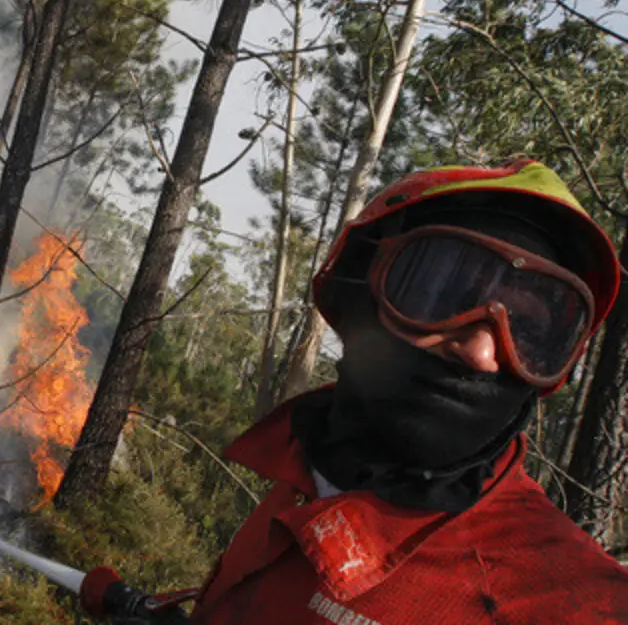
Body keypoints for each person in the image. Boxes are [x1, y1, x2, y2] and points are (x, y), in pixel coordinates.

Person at [188, 158, 628, 624]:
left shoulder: (572, 601)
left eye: (530, 330)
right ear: (360, 291)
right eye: (444, 292)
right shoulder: (309, 467)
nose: (481, 353)